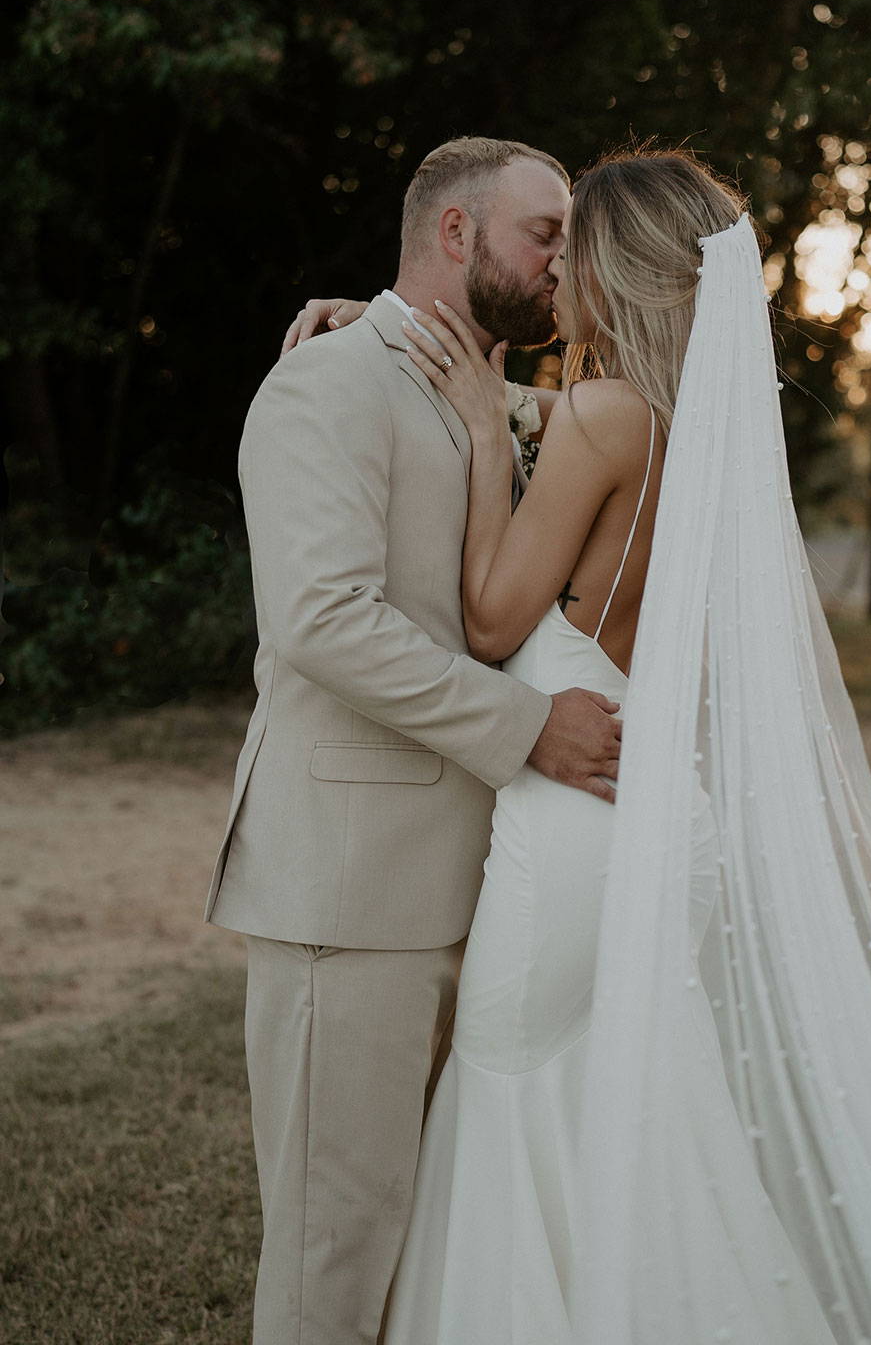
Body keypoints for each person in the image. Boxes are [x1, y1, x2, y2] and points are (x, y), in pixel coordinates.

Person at [303, 145, 871, 1344]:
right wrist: (407, 341)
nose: (553, 274)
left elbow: (496, 616)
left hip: (574, 839)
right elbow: (555, 415)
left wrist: (468, 416)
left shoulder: (603, 419)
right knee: (636, 1118)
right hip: (665, 821)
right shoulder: (692, 431)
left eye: (571, 250)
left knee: (511, 1101)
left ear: (620, 269)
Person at [204, 136, 624, 1345]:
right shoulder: (323, 385)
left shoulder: (489, 392)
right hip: (346, 884)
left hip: (473, 886)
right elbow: (324, 622)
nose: (565, 260)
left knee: (419, 1229)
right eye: (545, 233)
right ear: (456, 235)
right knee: (335, 1241)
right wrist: (527, 725)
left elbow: (624, 426)